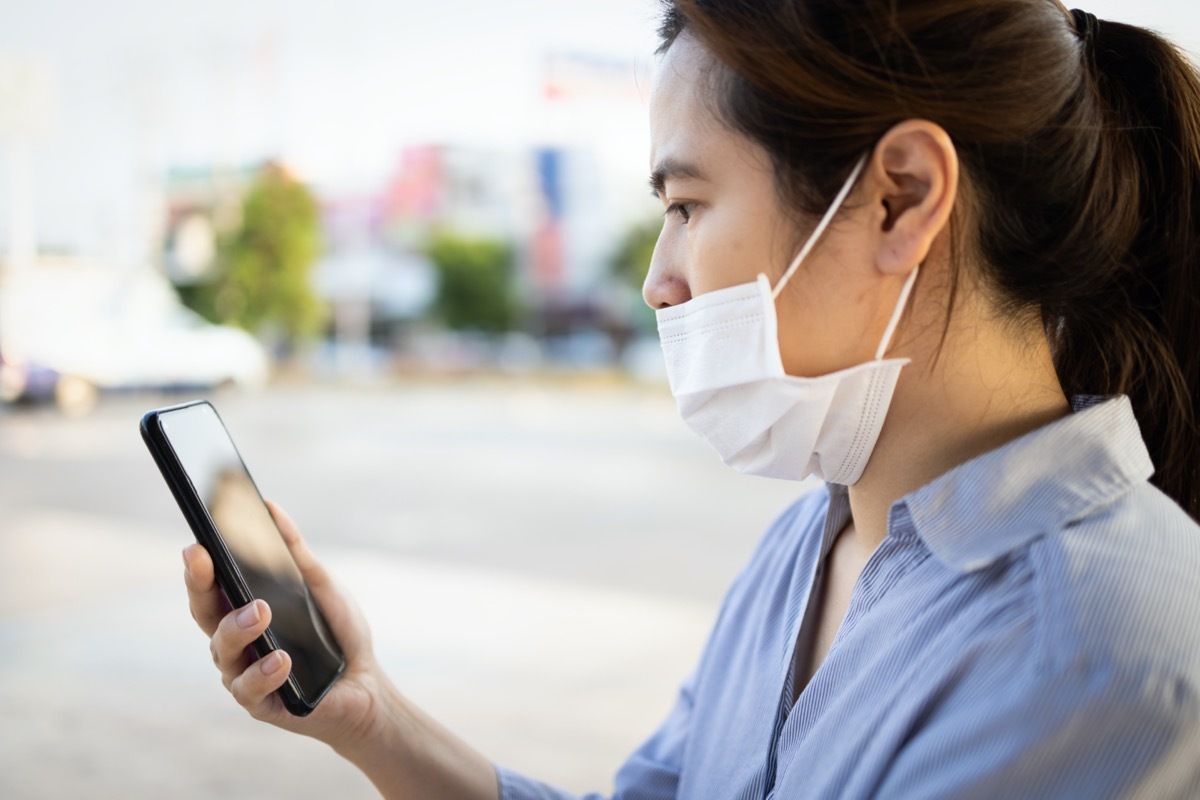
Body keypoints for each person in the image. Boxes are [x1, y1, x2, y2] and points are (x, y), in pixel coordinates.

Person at [182, 0, 1200, 796]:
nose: (657, 277)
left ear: (901, 197)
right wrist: (373, 718)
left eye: (686, 204)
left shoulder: (1101, 652)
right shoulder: (811, 544)